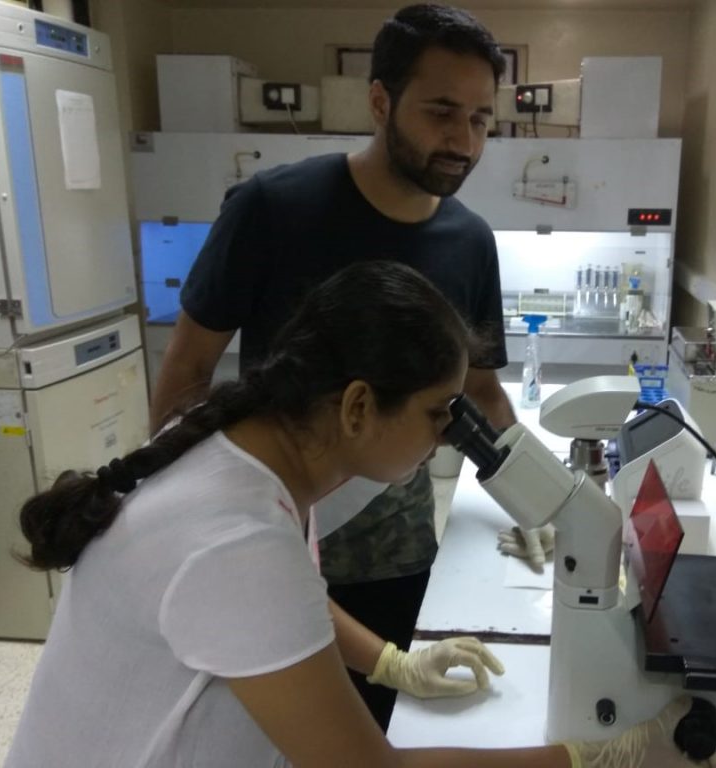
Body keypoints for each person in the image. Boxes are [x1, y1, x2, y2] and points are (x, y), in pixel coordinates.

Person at [7, 263, 716, 768]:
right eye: (438, 411)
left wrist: (390, 663)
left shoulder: (251, 450)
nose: (450, 430)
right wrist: (594, 760)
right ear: (356, 406)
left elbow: (283, 612)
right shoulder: (235, 539)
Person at [148, 4, 537, 730]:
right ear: (381, 99)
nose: (463, 140)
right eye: (442, 112)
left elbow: (481, 390)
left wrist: (529, 496)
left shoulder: (469, 242)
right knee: (264, 735)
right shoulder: (273, 209)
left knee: (387, 716)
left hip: (395, 544)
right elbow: (188, 369)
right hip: (270, 539)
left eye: (482, 120)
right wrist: (187, 516)